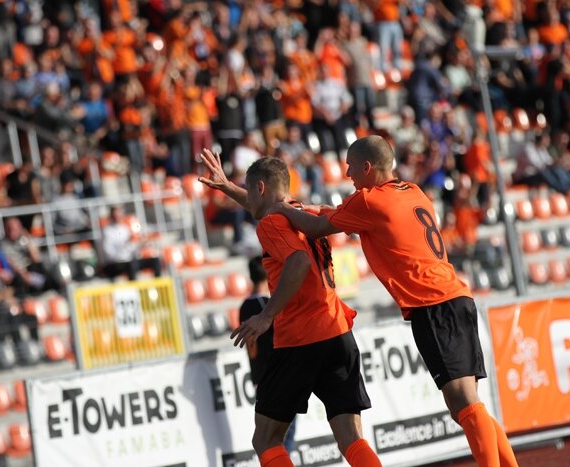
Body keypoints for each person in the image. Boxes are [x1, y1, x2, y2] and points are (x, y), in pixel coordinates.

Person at [267, 136, 518, 467]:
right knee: (469, 405)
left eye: (351, 167)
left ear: (367, 167)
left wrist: (282, 207)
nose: (347, 173)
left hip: (432, 304)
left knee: (464, 404)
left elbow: (315, 227)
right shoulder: (412, 190)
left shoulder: (369, 201)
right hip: (456, 298)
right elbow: (337, 215)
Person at [199, 149, 381, 467]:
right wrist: (228, 187)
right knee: (351, 438)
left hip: (300, 338)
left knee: (266, 440)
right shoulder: (308, 213)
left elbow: (297, 262)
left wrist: (266, 316)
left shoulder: (271, 223)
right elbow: (264, 208)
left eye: (249, 190)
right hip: (338, 331)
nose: (248, 199)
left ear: (260, 188)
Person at [239, 256, 296, 454]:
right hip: (279, 374)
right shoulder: (268, 306)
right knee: (285, 435)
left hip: (260, 376)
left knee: (270, 435)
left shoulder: (244, 307)